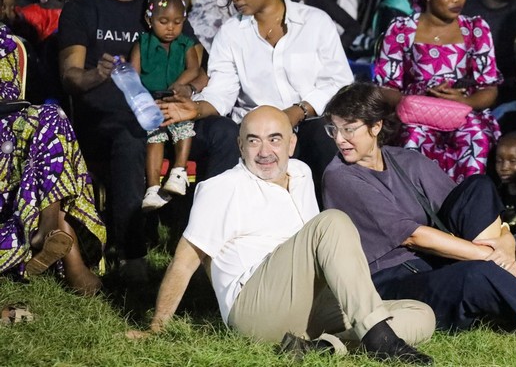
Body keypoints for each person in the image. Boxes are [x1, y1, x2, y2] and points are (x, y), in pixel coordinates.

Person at [321, 82, 516, 333]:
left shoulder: (405, 160)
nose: (339, 139)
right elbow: (413, 236)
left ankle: (506, 298)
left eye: (349, 129)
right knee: (477, 274)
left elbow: (466, 207)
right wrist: (491, 257)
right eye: (334, 129)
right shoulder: (339, 176)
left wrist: (503, 241)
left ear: (376, 126)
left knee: (478, 185)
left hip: (436, 262)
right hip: (391, 279)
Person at [129, 106, 435, 364]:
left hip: (310, 304)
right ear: (240, 146)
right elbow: (184, 263)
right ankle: (379, 338)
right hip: (256, 307)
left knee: (421, 314)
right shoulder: (222, 188)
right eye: (254, 141)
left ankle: (324, 347)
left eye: (275, 139)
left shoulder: (301, 173)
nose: (265, 152)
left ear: (291, 144)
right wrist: (157, 326)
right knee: (332, 222)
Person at [58, 0, 239, 282]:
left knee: (223, 132)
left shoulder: (160, 5)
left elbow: (198, 67)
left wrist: (188, 89)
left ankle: (205, 242)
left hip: (169, 114)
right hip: (111, 121)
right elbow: (70, 76)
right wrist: (97, 74)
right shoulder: (83, 9)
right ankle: (133, 255)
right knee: (130, 139)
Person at [159, 0, 353, 198]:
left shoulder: (315, 22)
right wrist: (196, 108)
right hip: (255, 130)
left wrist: (298, 111)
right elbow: (222, 90)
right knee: (229, 132)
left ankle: (332, 214)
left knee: (322, 135)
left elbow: (339, 83)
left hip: (306, 124)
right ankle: (217, 215)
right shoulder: (231, 33)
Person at [375, 0, 501, 183]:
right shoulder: (401, 30)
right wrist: (417, 102)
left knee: (476, 136)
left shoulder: (475, 29)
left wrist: (464, 101)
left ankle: (468, 200)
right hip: (415, 114)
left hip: (464, 111)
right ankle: (418, 200)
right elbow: (385, 88)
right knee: (413, 137)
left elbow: (489, 88)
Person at [0, 27, 105, 295]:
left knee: (51, 116)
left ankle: (48, 225)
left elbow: (34, 91)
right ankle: (71, 259)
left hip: (9, 123)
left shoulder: (7, 42)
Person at [130, 0, 200, 210]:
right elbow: (133, 75)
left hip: (177, 101)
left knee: (184, 128)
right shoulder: (142, 43)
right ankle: (152, 188)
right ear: (149, 20)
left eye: (177, 22)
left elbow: (194, 69)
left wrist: (177, 86)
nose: (171, 28)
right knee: (155, 136)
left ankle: (178, 172)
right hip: (152, 102)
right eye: (164, 22)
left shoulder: (185, 44)